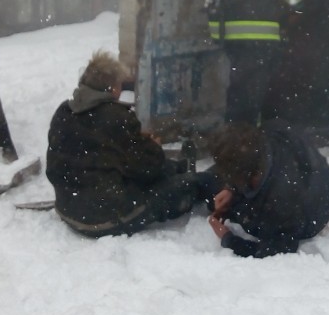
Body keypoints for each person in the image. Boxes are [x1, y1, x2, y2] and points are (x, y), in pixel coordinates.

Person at [46, 50, 218, 238]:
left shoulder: (63, 112)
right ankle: (198, 181)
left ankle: (181, 168)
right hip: (103, 218)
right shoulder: (116, 118)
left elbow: (96, 152)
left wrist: (136, 142)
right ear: (112, 88)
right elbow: (149, 169)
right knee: (191, 184)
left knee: (135, 165)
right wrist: (152, 146)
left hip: (68, 208)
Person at [205, 119, 329, 258]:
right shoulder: (262, 140)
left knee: (232, 204)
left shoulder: (282, 204)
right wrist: (230, 189)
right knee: (212, 184)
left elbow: (275, 250)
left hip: (314, 209)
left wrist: (227, 238)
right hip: (306, 170)